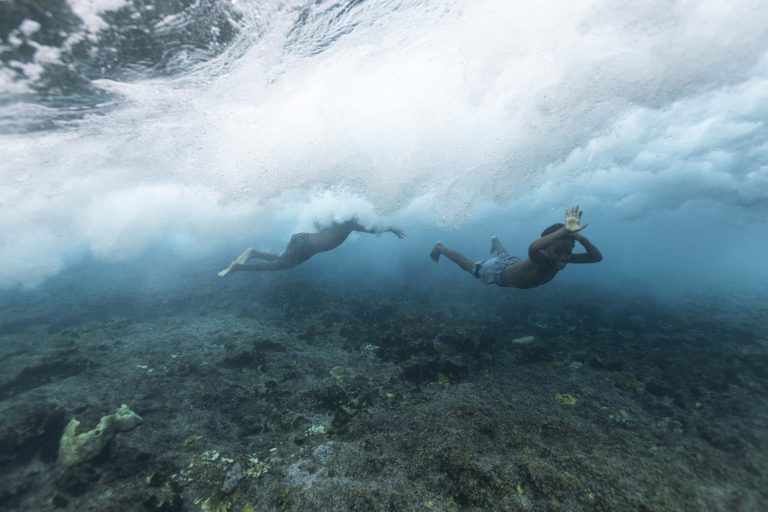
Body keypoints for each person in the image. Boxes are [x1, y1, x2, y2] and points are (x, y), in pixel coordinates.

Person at [429, 205, 602, 289]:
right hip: (495, 272)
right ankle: (440, 248)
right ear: (545, 251)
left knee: (504, 255)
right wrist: (564, 230)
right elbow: (533, 248)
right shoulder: (540, 258)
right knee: (466, 264)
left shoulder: (561, 258)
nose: (563, 256)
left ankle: (495, 240)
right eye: (557, 251)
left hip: (511, 265)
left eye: (568, 251)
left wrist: (581, 239)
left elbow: (596, 258)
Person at [218, 219, 406, 277]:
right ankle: (237, 267)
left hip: (303, 239)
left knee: (282, 262)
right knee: (277, 266)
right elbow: (371, 229)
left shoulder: (338, 217)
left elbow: (318, 222)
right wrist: (390, 228)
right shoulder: (350, 222)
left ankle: (253, 253)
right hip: (306, 246)